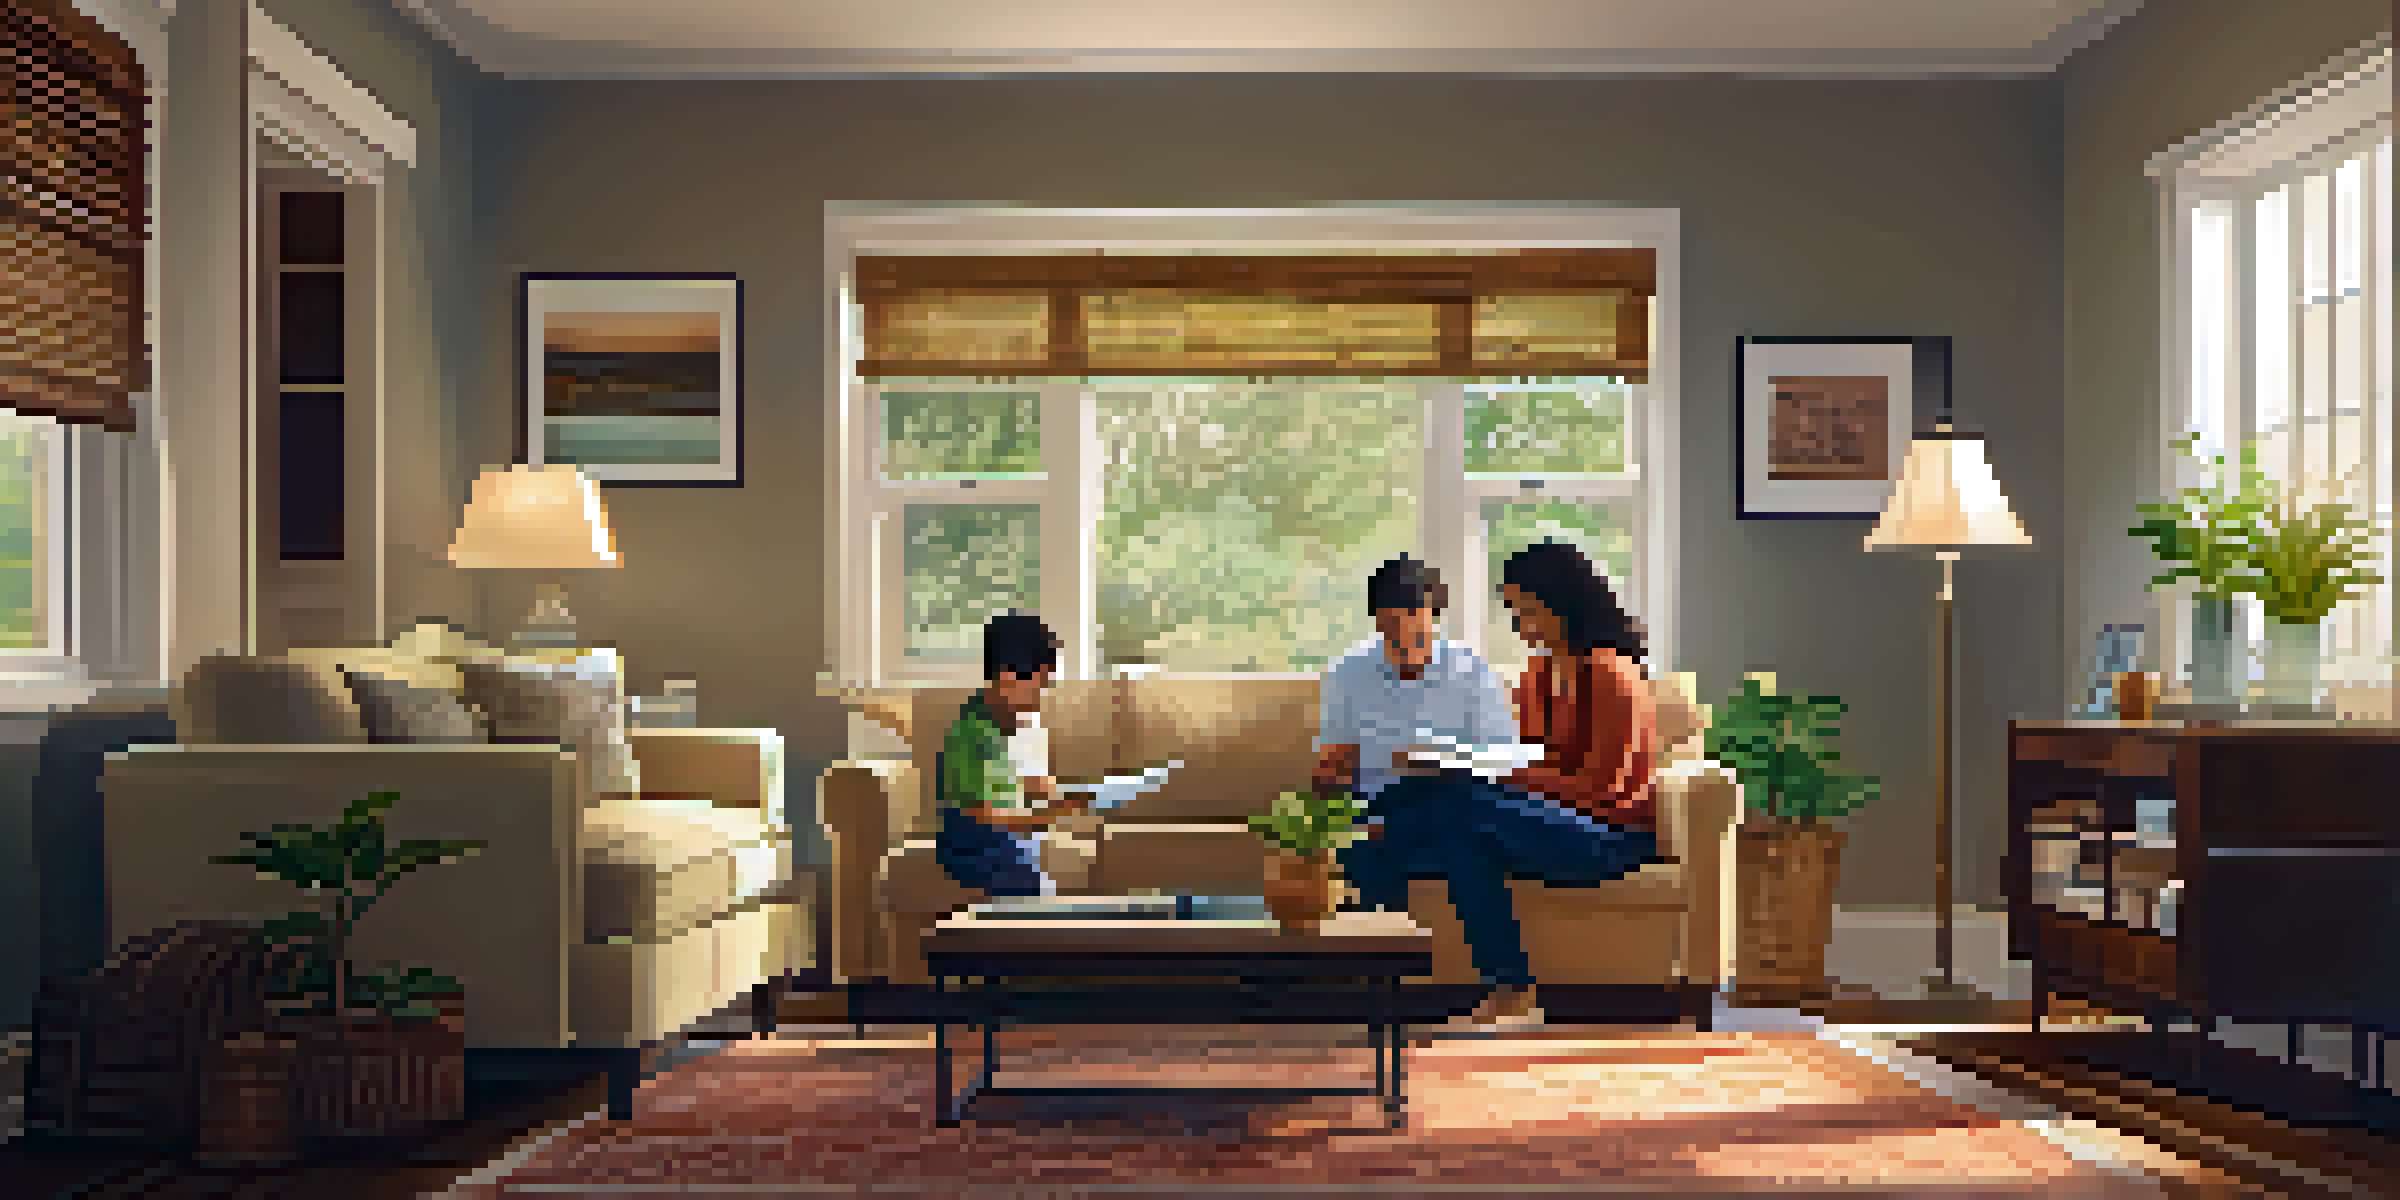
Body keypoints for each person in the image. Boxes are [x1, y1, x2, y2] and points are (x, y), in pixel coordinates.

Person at [1324, 544, 1661, 1026]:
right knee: (1440, 817)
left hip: (1606, 838)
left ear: (1559, 604)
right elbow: (1520, 759)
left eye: (1525, 610)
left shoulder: (1610, 672)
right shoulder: (1539, 673)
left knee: (1439, 806)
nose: (1519, 624)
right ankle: (1512, 993)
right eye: (1513, 611)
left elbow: (1605, 792)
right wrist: (1481, 768)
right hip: (1543, 824)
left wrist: (1495, 774)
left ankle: (1373, 945)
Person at [932, 611, 1086, 897]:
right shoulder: (972, 733)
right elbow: (985, 815)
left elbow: (1012, 782)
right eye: (1036, 689)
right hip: (973, 848)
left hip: (999, 841)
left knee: (1027, 860)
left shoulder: (998, 724)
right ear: (1007, 679)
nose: (1039, 699)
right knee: (1030, 880)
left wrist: (1066, 794)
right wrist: (1045, 816)